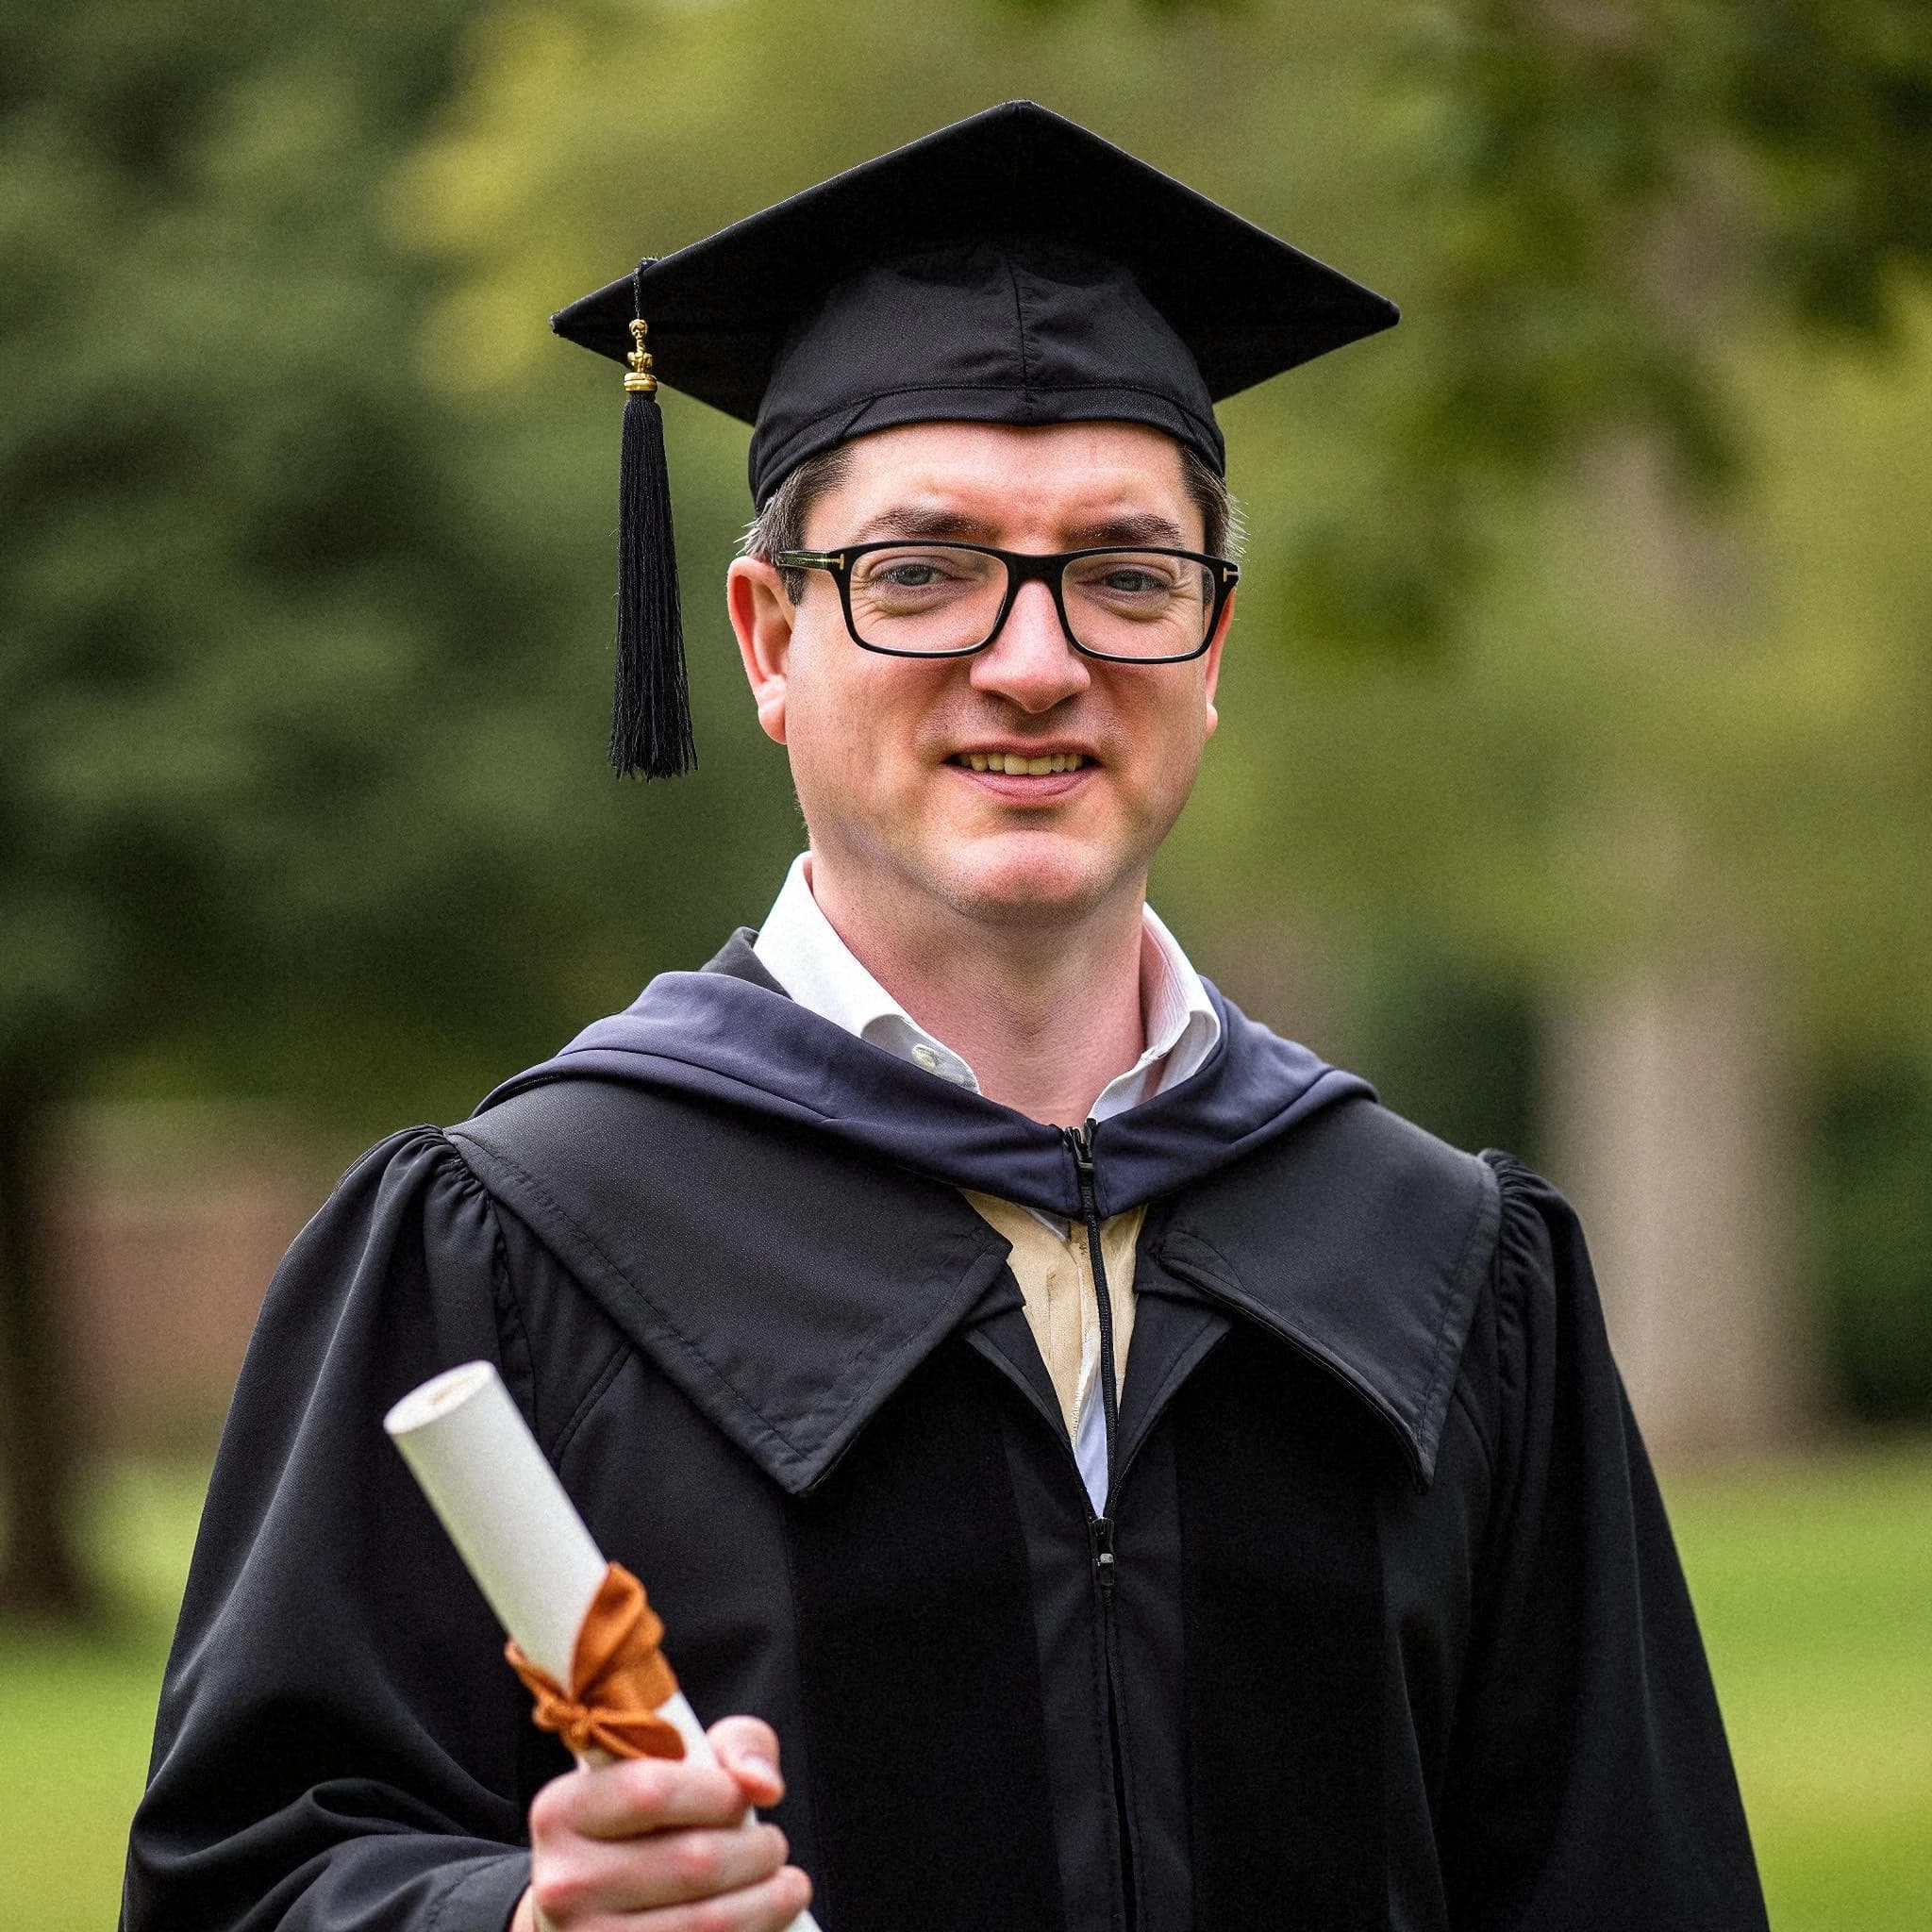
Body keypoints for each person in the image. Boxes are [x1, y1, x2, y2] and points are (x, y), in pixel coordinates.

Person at [124, 103, 1769, 1932]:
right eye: (922, 573)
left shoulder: (1449, 1269)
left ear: (1211, 648)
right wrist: (515, 1920)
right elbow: (243, 1884)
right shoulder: (512, 1246)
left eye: (1126, 577)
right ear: (763, 636)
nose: (1037, 660)